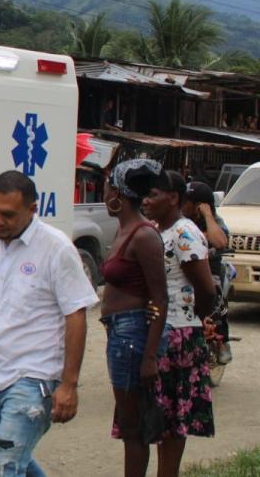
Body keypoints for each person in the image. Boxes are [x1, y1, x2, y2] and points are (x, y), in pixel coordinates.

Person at [0, 170, 99, 476]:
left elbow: (76, 316)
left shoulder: (55, 249)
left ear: (32, 209)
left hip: (35, 377)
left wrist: (69, 384)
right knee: (12, 457)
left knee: (5, 466)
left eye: (8, 215)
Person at [142, 171, 218, 477]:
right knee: (160, 417)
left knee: (173, 420)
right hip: (159, 331)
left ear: (173, 198)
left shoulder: (184, 233)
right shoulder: (157, 229)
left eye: (152, 194)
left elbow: (206, 289)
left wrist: (195, 319)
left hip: (178, 335)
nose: (145, 201)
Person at [99, 159, 169, 476]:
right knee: (129, 423)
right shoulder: (125, 231)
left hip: (133, 334)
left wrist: (150, 356)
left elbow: (160, 298)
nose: (104, 193)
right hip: (120, 333)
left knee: (133, 426)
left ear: (118, 192)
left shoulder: (143, 236)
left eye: (106, 187)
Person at [184, 181, 232, 364]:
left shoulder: (215, 221)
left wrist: (208, 215)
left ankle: (222, 342)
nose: (182, 204)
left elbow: (220, 242)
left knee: (215, 299)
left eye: (187, 201)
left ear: (199, 205)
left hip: (209, 271)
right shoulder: (180, 219)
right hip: (184, 270)